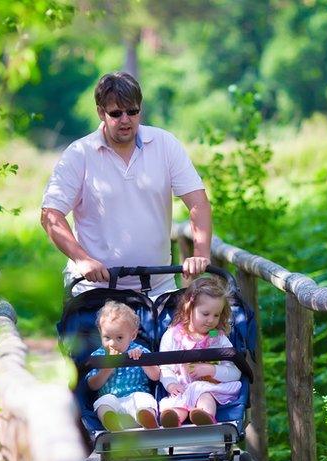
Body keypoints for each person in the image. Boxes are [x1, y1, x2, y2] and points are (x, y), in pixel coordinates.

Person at [40, 71, 212, 297]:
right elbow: (50, 215)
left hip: (157, 288)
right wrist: (83, 259)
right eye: (116, 113)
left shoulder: (165, 144)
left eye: (132, 111)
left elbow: (198, 202)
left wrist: (200, 253)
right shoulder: (79, 153)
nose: (125, 119)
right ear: (101, 112)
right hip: (94, 289)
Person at [158, 277, 242, 427]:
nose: (211, 320)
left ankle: (204, 416)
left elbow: (235, 372)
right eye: (205, 314)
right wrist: (171, 384)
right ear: (189, 308)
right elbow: (164, 367)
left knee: (206, 397)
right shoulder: (173, 335)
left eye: (216, 315)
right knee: (175, 403)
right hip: (181, 388)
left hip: (206, 387)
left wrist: (212, 370)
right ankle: (173, 419)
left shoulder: (216, 337)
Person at [86, 301, 161, 431]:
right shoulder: (98, 355)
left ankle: (146, 418)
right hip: (112, 401)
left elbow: (156, 376)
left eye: (119, 338)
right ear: (100, 333)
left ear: (132, 335)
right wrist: (107, 369)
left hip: (135, 398)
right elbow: (92, 385)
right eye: (107, 337)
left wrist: (142, 360)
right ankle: (112, 422)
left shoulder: (139, 350)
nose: (112, 343)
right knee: (103, 402)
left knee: (145, 399)